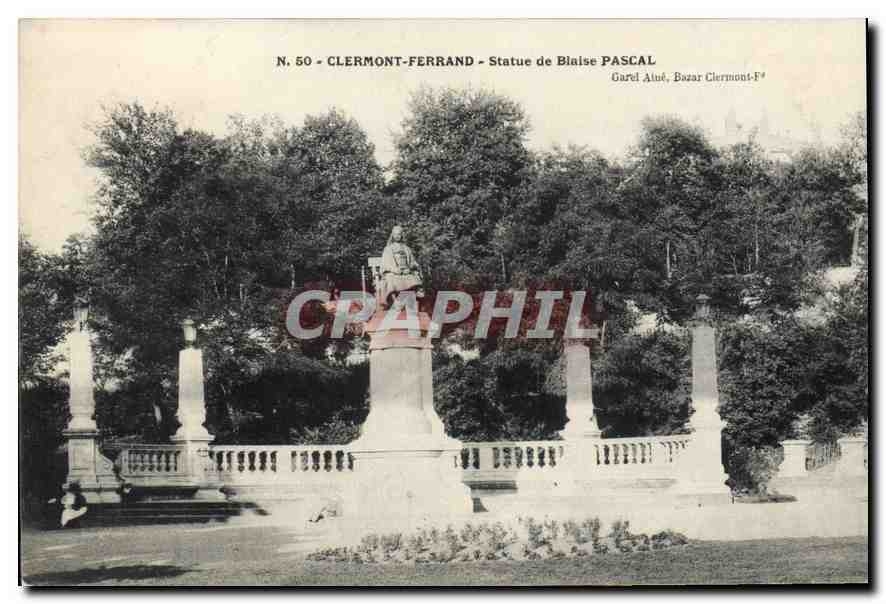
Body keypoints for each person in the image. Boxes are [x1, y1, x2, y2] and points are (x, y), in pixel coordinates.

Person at [377, 225, 424, 309]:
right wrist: (394, 269)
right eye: (395, 234)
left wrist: (409, 268)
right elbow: (385, 264)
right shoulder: (388, 248)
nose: (397, 236)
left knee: (413, 278)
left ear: (402, 235)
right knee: (391, 280)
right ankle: (396, 302)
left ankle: (411, 300)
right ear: (392, 235)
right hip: (393, 272)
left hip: (406, 271)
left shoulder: (407, 248)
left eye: (399, 234)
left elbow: (413, 262)